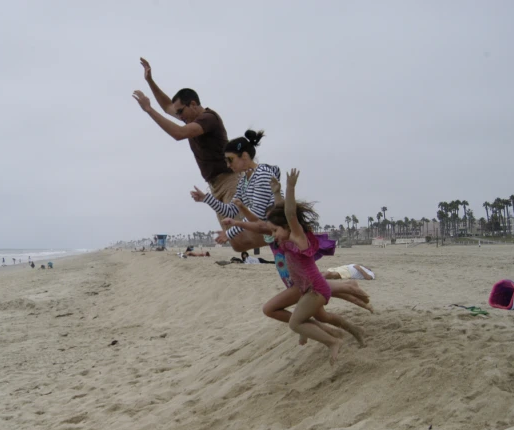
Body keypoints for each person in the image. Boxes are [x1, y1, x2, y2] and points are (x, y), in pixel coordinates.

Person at [134, 58, 262, 248]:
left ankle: (276, 235)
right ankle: (275, 235)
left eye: (181, 112)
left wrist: (148, 109)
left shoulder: (208, 118)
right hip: (215, 185)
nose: (179, 116)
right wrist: (150, 81)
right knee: (236, 244)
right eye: (178, 114)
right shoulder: (189, 117)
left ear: (193, 104)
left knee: (239, 237)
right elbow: (168, 106)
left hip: (230, 180)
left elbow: (178, 134)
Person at [243, 170, 363, 365]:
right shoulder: (284, 240)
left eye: (275, 230)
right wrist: (276, 193)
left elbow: (289, 214)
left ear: (288, 227)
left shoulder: (298, 238)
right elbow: (281, 214)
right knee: (320, 317)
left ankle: (333, 341)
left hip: (315, 290)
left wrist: (290, 187)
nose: (273, 234)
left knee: (295, 323)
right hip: (306, 290)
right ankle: (354, 331)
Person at [190, 130, 279, 251]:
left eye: (230, 159)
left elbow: (257, 214)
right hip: (274, 236)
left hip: (284, 234)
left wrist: (229, 233)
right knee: (286, 269)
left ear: (244, 156)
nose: (228, 165)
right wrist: (206, 198)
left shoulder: (262, 174)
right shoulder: (243, 182)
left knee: (296, 269)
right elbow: (231, 211)